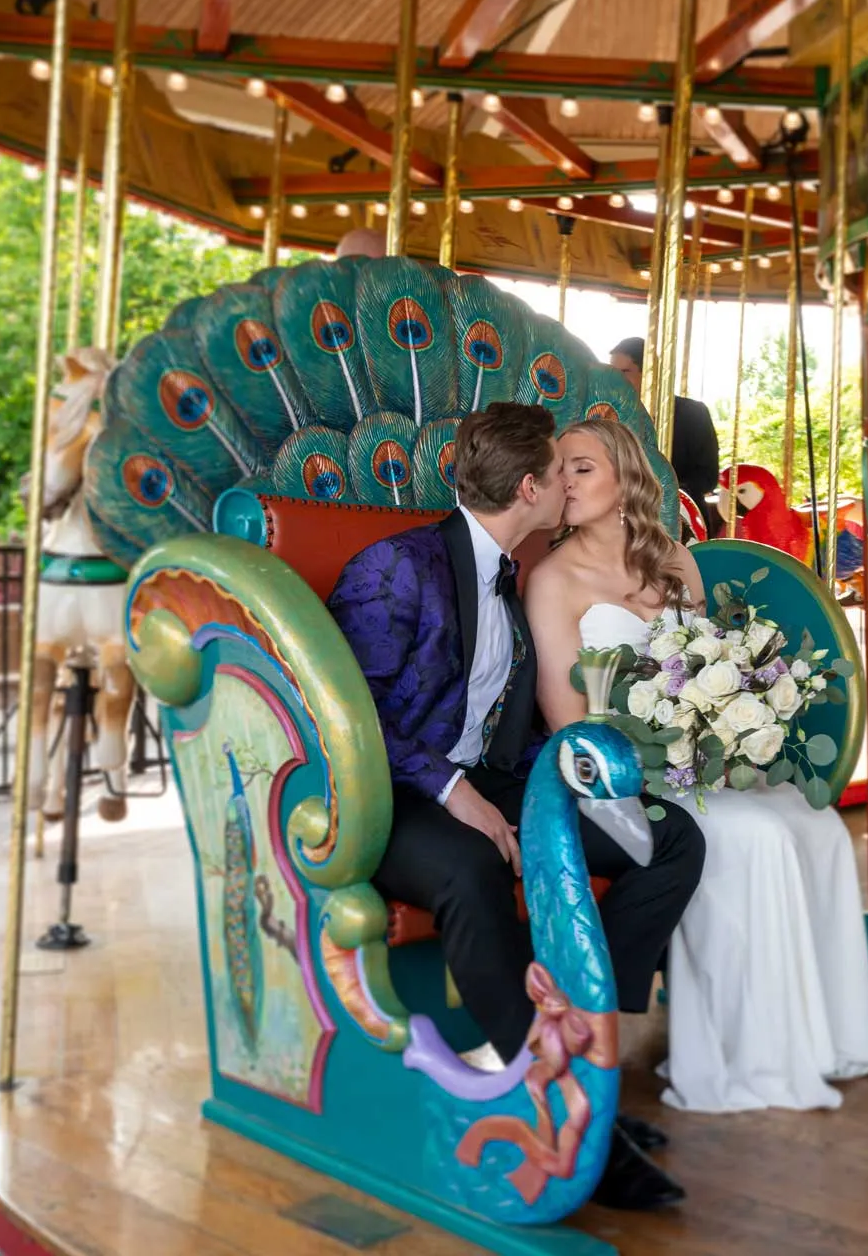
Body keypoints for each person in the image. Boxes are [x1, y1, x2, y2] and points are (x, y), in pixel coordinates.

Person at [326, 402, 702, 1211]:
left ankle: (587, 1045)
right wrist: (452, 791)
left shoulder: (518, 574)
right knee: (471, 868)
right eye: (561, 473)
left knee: (666, 838)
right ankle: (552, 1101)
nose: (570, 486)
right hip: (389, 791)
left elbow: (516, 721)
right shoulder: (396, 566)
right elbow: (350, 717)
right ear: (530, 488)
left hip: (490, 777)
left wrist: (580, 785)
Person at [524, 416, 868, 1114]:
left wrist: (722, 729)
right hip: (617, 777)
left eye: (582, 467)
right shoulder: (552, 579)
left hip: (694, 764)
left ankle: (826, 1040)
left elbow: (705, 668)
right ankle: (742, 1055)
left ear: (626, 477)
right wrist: (660, 750)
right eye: (557, 467)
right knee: (758, 835)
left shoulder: (675, 561)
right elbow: (567, 723)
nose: (564, 480)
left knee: (816, 827)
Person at [608, 337, 722, 538]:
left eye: (625, 372)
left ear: (649, 373)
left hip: (680, 518)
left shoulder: (692, 414)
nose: (616, 380)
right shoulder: (610, 417)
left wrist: (664, 489)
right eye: (612, 373)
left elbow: (708, 476)